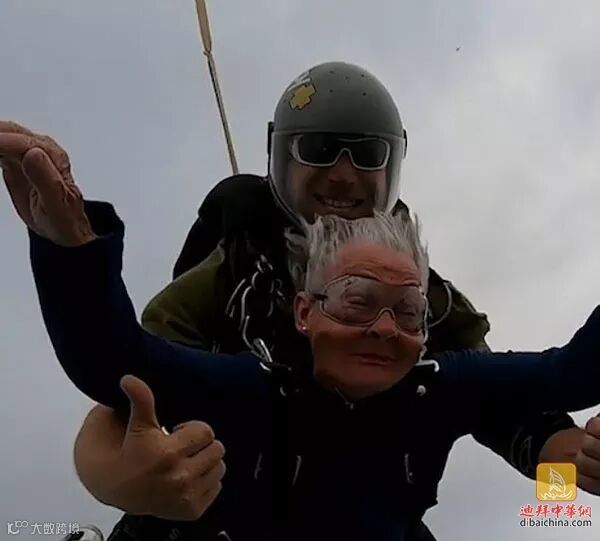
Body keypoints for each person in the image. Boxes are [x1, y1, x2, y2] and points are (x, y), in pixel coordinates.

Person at [5, 147, 600, 540]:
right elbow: (112, 362)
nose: (384, 328)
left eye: (408, 313)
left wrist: (575, 468)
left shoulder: (443, 384)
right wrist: (69, 249)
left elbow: (565, 383)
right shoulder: (250, 375)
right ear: (303, 311)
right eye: (356, 302)